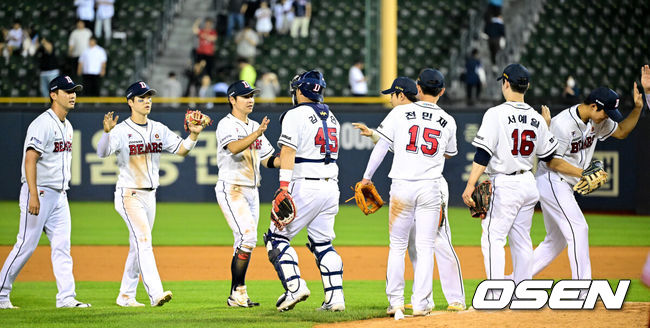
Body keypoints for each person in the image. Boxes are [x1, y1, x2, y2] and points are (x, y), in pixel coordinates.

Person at [353, 76, 465, 313]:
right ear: (442, 90)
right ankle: (421, 304)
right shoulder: (448, 119)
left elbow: (382, 147)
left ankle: (395, 302)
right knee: (425, 247)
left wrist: (366, 177)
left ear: (418, 86)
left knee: (397, 246)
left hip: (402, 187)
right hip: (431, 187)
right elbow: (449, 154)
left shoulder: (400, 113)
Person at [96, 81, 205, 307]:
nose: (147, 101)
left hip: (150, 196)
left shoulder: (158, 128)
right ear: (130, 102)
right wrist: (106, 133)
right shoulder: (121, 130)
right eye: (141, 98)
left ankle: (126, 296)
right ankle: (155, 293)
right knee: (144, 240)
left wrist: (193, 135)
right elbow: (102, 152)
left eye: (149, 97)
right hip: (129, 195)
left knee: (138, 246)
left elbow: (181, 150)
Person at [530, 83, 643, 287]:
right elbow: (551, 161)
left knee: (556, 241)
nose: (608, 117)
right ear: (593, 106)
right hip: (551, 179)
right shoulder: (563, 124)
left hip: (564, 182)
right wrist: (584, 173)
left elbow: (622, 132)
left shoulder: (598, 120)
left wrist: (637, 108)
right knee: (579, 228)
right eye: (606, 112)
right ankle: (582, 288)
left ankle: (514, 279)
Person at [461, 64, 559, 297]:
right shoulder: (536, 118)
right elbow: (547, 156)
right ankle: (522, 294)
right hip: (528, 183)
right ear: (527, 86)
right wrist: (544, 126)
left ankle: (495, 295)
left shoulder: (496, 114)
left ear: (506, 83)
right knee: (522, 241)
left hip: (505, 185)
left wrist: (470, 183)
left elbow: (483, 154)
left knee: (493, 238)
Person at [0, 75, 90, 309]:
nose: (72, 95)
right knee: (25, 245)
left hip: (60, 195)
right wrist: (32, 193)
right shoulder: (43, 123)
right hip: (39, 193)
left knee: (62, 247)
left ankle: (67, 298)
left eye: (74, 91)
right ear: (53, 94)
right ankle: (1, 294)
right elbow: (30, 160)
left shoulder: (67, 125)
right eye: (67, 91)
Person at [264, 70, 345, 312]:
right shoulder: (332, 117)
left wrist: (283, 187)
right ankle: (335, 299)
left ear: (300, 91)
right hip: (331, 185)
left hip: (305, 184)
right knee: (323, 244)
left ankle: (295, 286)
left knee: (275, 238)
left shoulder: (294, 114)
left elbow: (288, 152)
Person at [215, 80, 280, 307]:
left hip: (252, 191)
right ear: (232, 100)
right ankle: (238, 292)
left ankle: (237, 296)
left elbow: (267, 159)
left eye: (252, 95)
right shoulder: (226, 124)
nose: (250, 99)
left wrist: (290, 159)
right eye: (245, 96)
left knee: (242, 241)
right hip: (231, 188)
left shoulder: (254, 125)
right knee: (248, 238)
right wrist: (258, 132)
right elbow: (233, 148)